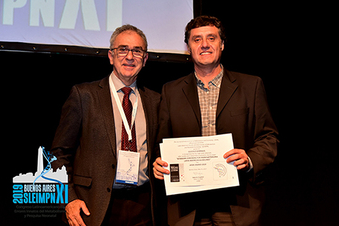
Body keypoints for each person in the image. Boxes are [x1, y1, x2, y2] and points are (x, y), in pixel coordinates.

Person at [153, 15, 279, 226]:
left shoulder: (251, 86)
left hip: (237, 204)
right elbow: (162, 143)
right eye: (196, 39)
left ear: (221, 44)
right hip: (188, 207)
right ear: (188, 47)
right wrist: (159, 161)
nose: (204, 45)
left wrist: (249, 159)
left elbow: (269, 138)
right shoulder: (171, 91)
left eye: (211, 38)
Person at [51, 24, 161, 226]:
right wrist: (69, 198)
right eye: (123, 49)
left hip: (144, 206)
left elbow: (158, 150)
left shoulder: (155, 100)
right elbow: (58, 154)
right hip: (94, 205)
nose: (130, 56)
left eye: (137, 51)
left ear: (145, 60)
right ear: (111, 56)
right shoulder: (84, 95)